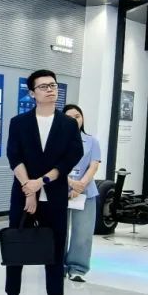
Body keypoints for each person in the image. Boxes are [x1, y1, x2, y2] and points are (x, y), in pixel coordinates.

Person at [0, 70, 83, 295]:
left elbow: (71, 158)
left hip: (54, 195)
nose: (50, 90)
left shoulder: (68, 124)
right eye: (44, 86)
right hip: (23, 194)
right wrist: (29, 188)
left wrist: (41, 182)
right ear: (32, 93)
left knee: (55, 248)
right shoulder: (19, 122)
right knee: (17, 244)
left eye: (53, 85)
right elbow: (14, 157)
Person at [63, 104, 102, 283]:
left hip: (85, 191)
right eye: (69, 117)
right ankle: (57, 266)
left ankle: (78, 268)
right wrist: (70, 183)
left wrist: (80, 186)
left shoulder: (92, 141)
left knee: (83, 232)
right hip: (60, 189)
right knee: (59, 230)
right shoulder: (55, 140)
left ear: (83, 119)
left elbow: (94, 165)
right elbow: (52, 165)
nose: (74, 120)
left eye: (77, 116)